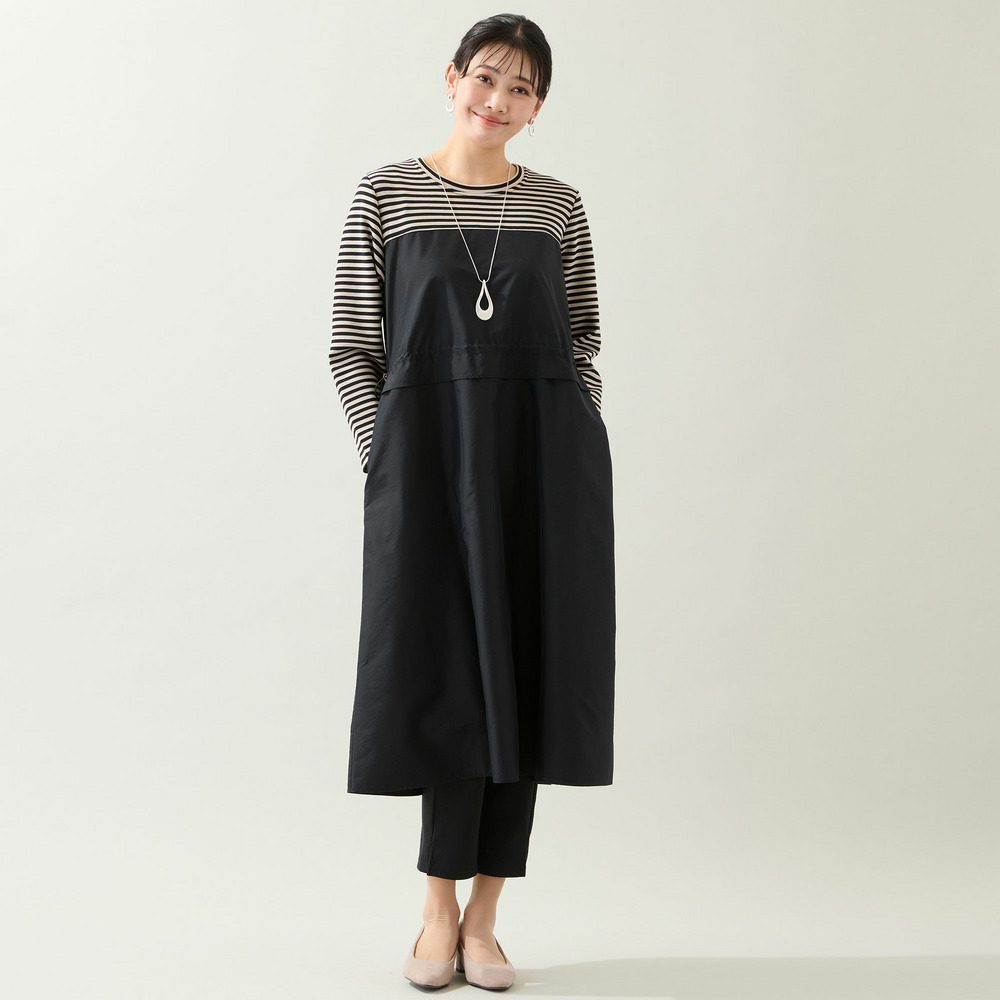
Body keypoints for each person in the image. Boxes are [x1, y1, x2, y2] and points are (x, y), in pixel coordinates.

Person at [328, 13, 616, 991]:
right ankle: (436, 907)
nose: (498, 99)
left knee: (528, 671)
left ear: (538, 109)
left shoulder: (557, 206)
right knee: (445, 673)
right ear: (451, 78)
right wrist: (387, 459)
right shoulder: (386, 194)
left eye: (521, 88)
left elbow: (583, 336)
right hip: (426, 465)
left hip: (540, 466)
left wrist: (573, 437)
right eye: (486, 77)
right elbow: (352, 344)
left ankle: (486, 915)